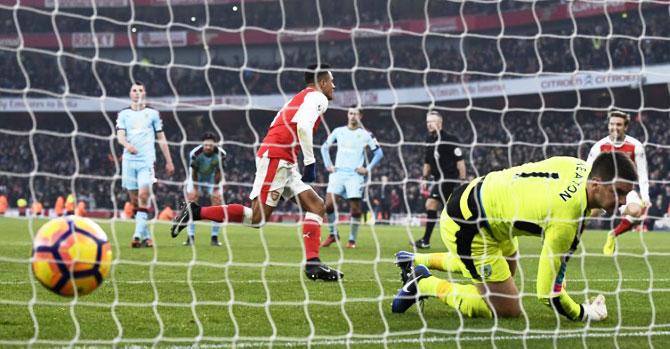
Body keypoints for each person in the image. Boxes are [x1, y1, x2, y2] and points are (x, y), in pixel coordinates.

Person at [392, 153, 637, 322]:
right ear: (596, 184)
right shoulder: (566, 221)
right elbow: (548, 295)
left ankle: (415, 259)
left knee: (505, 273)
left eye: (627, 194)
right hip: (467, 225)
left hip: (486, 200)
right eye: (619, 193)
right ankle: (423, 283)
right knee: (508, 309)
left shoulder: (578, 165)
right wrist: (585, 313)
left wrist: (623, 207)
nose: (624, 200)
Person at [171, 64, 343, 281]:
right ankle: (195, 212)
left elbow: (280, 123)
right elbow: (303, 127)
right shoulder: (318, 98)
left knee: (317, 206)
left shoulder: (300, 97)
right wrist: (310, 162)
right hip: (277, 158)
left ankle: (313, 264)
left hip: (283, 159)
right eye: (332, 80)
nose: (334, 86)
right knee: (257, 218)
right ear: (323, 82)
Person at [116, 81, 175, 248]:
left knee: (144, 196)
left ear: (145, 93)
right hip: (129, 162)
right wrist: (127, 146)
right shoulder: (123, 115)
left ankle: (136, 236)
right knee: (135, 203)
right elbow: (120, 136)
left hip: (146, 162)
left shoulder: (153, 114)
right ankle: (147, 236)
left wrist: (169, 161)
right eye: (134, 90)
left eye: (140, 90)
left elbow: (161, 139)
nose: (137, 92)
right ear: (130, 94)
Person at [586, 110, 649, 256]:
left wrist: (645, 196)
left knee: (636, 211)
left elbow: (642, 173)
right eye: (612, 124)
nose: (615, 127)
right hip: (602, 192)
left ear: (625, 127)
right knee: (583, 219)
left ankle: (613, 235)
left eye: (619, 124)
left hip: (625, 191)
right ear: (608, 125)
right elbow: (587, 171)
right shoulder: (599, 147)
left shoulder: (636, 146)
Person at [320, 106, 383, 248]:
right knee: (328, 205)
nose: (352, 116)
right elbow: (324, 147)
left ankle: (352, 240)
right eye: (350, 113)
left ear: (360, 116)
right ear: (347, 115)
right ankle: (333, 234)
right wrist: (328, 165)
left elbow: (379, 153)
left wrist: (367, 169)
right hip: (338, 174)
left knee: (355, 209)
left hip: (355, 176)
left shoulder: (366, 134)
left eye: (355, 113)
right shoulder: (338, 131)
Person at [412, 111, 466, 249]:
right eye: (427, 122)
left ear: (440, 123)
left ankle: (426, 240)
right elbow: (427, 162)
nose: (429, 124)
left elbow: (460, 161)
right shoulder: (429, 140)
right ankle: (465, 236)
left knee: (431, 204)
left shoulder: (450, 139)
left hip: (449, 179)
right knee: (452, 211)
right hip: (437, 179)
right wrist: (424, 178)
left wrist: (463, 180)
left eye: (432, 121)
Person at [181, 132, 227, 247]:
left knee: (217, 203)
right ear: (202, 144)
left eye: (210, 145)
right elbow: (194, 172)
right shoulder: (195, 153)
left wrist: (216, 188)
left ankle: (214, 237)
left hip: (212, 178)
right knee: (192, 203)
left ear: (214, 145)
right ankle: (190, 237)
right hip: (197, 178)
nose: (207, 147)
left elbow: (219, 172)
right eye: (206, 145)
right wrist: (196, 189)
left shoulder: (221, 154)